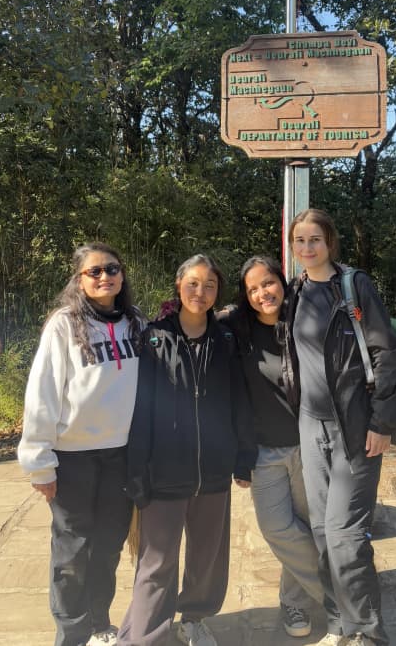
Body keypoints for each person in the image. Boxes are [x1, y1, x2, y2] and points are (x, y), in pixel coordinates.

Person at [119, 254, 258, 646]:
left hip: (214, 470)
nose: (201, 292)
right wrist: (136, 468)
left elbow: (239, 401)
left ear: (218, 292)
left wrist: (244, 457)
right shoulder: (155, 338)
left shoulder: (226, 340)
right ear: (178, 287)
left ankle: (195, 618)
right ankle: (145, 636)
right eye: (193, 283)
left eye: (210, 285)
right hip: (164, 471)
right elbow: (141, 409)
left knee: (207, 558)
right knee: (156, 562)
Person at [282, 209, 396, 646]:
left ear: (329, 243)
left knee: (346, 535)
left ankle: (368, 631)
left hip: (355, 428)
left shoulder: (353, 286)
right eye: (300, 240)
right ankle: (338, 622)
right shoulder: (294, 290)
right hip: (309, 426)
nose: (307, 248)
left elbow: (387, 352)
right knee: (321, 532)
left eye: (315, 239)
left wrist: (382, 421)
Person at [18, 242, 144, 646]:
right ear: (80, 279)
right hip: (72, 457)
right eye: (95, 271)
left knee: (107, 545)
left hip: (121, 455)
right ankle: (70, 634)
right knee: (72, 551)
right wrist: (39, 460)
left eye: (112, 269)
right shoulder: (64, 324)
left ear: (122, 276)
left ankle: (98, 624)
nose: (105, 276)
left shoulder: (135, 323)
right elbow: (43, 393)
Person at [220, 255, 323, 639]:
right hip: (263, 452)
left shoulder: (303, 323)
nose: (263, 293)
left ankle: (294, 601)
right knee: (278, 528)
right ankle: (338, 591)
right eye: (253, 289)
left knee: (307, 527)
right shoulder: (235, 328)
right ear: (245, 297)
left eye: (268, 283)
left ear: (281, 282)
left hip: (308, 448)